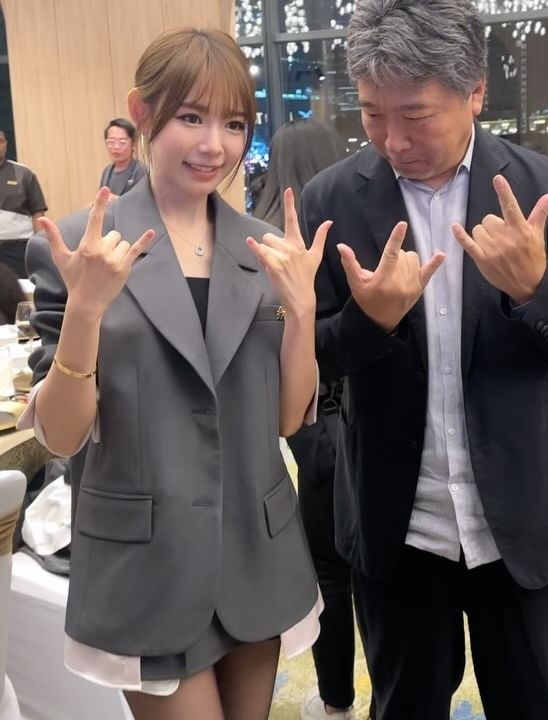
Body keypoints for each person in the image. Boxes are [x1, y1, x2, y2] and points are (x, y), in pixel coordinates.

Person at [298, 1, 548, 719]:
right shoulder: (332, 200)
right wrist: (367, 322)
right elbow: (306, 365)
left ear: (475, 91)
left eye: (415, 115)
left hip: (522, 517)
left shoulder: (544, 189)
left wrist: (537, 289)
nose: (392, 140)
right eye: (372, 114)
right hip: (399, 527)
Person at [19, 27, 331, 720]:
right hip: (146, 564)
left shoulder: (264, 250)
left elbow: (287, 418)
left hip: (255, 549)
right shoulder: (85, 250)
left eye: (234, 124)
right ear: (142, 111)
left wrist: (303, 312)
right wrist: (85, 311)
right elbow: (63, 437)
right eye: (191, 116)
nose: (213, 145)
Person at [254, 119, 360, 720]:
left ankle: (335, 700)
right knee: (375, 563)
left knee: (328, 569)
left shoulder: (261, 239)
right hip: (363, 414)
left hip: (307, 421)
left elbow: (267, 337)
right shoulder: (357, 225)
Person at [0, 129, 47, 277]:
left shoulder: (24, 174)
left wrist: (41, 248)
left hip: (18, 249)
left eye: (0, 141)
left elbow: (38, 214)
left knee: (21, 289)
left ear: (6, 145)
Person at [99, 118, 147, 199]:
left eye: (122, 142)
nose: (116, 147)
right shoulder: (106, 172)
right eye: (111, 142)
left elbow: (144, 201)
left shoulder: (141, 171)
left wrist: (117, 200)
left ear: (133, 144)